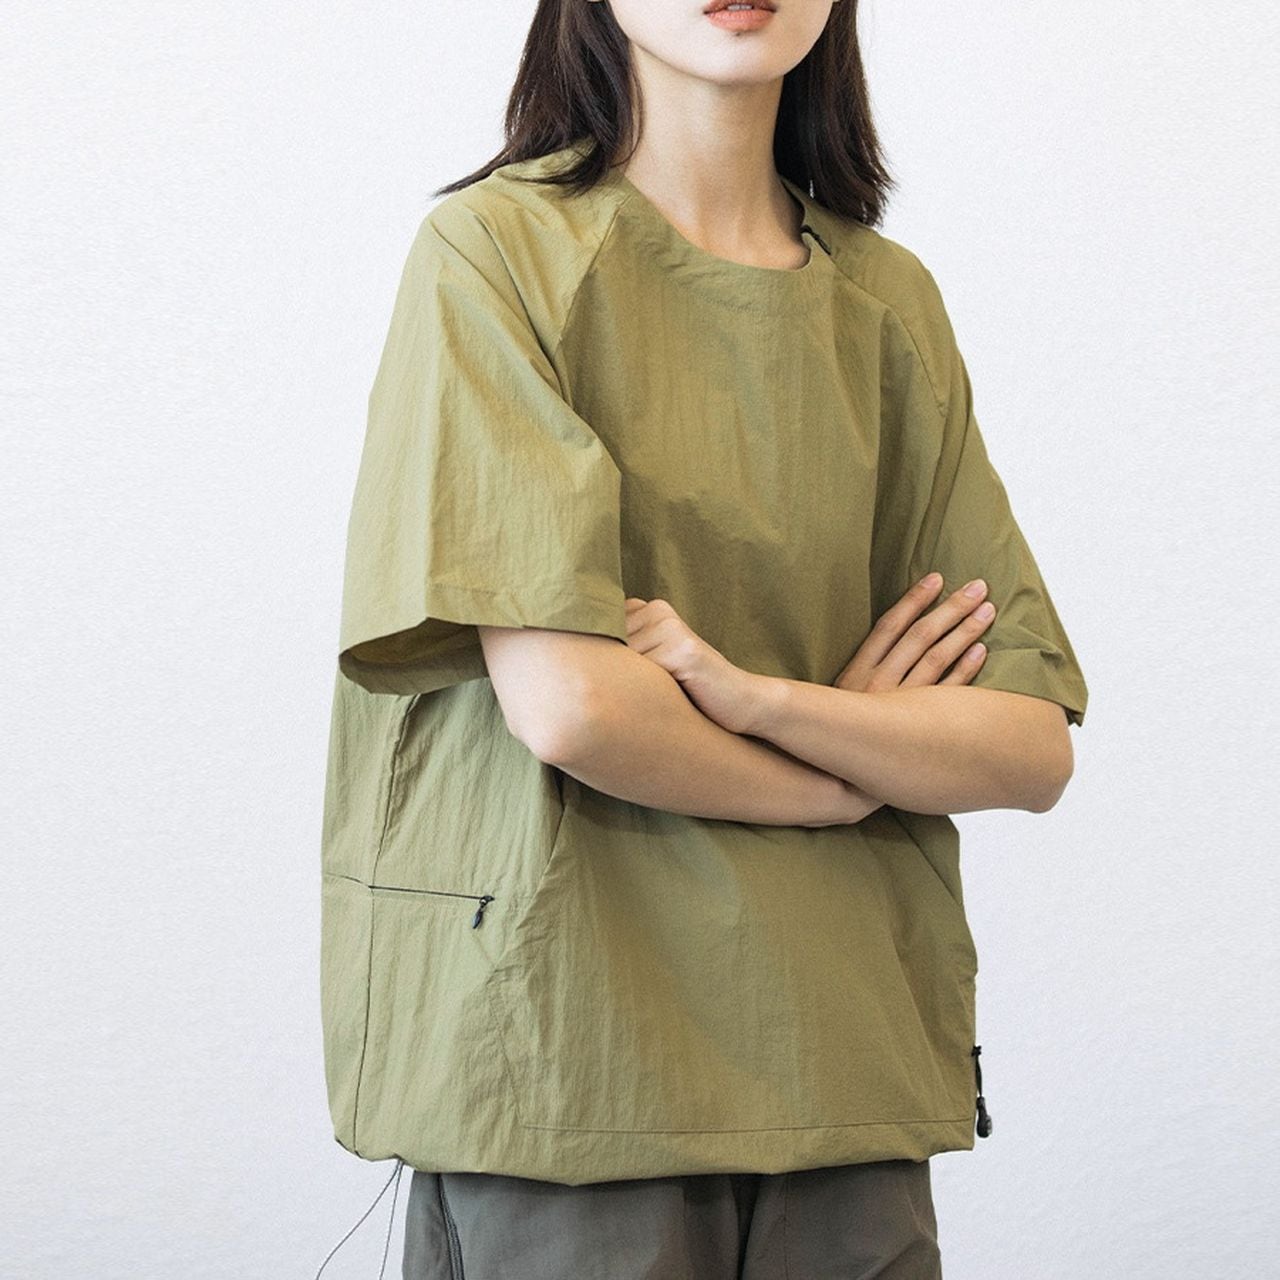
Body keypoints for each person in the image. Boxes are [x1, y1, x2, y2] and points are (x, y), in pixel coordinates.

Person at [315, 1, 1089, 1276]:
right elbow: (573, 708)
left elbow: (1023, 745)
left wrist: (761, 701)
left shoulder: (885, 301)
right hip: (575, 1057)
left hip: (843, 1054)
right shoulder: (497, 251)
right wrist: (852, 773)